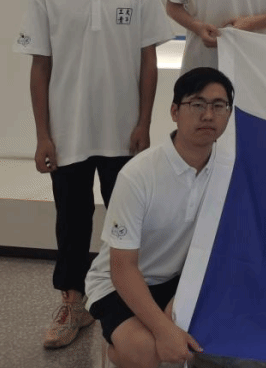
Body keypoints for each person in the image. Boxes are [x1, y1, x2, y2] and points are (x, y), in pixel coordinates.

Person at [13, 0, 175, 349]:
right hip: (69, 134)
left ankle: (132, 300)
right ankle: (72, 302)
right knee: (72, 219)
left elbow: (148, 64)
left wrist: (144, 123)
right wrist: (43, 135)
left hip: (124, 133)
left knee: (130, 221)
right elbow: (40, 68)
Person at [85, 67, 234, 368]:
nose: (208, 115)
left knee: (214, 340)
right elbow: (122, 268)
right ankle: (112, 353)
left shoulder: (229, 170)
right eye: (197, 104)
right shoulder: (138, 175)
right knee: (148, 352)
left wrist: (179, 300)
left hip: (180, 278)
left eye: (219, 106)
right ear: (175, 112)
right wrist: (164, 329)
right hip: (119, 282)